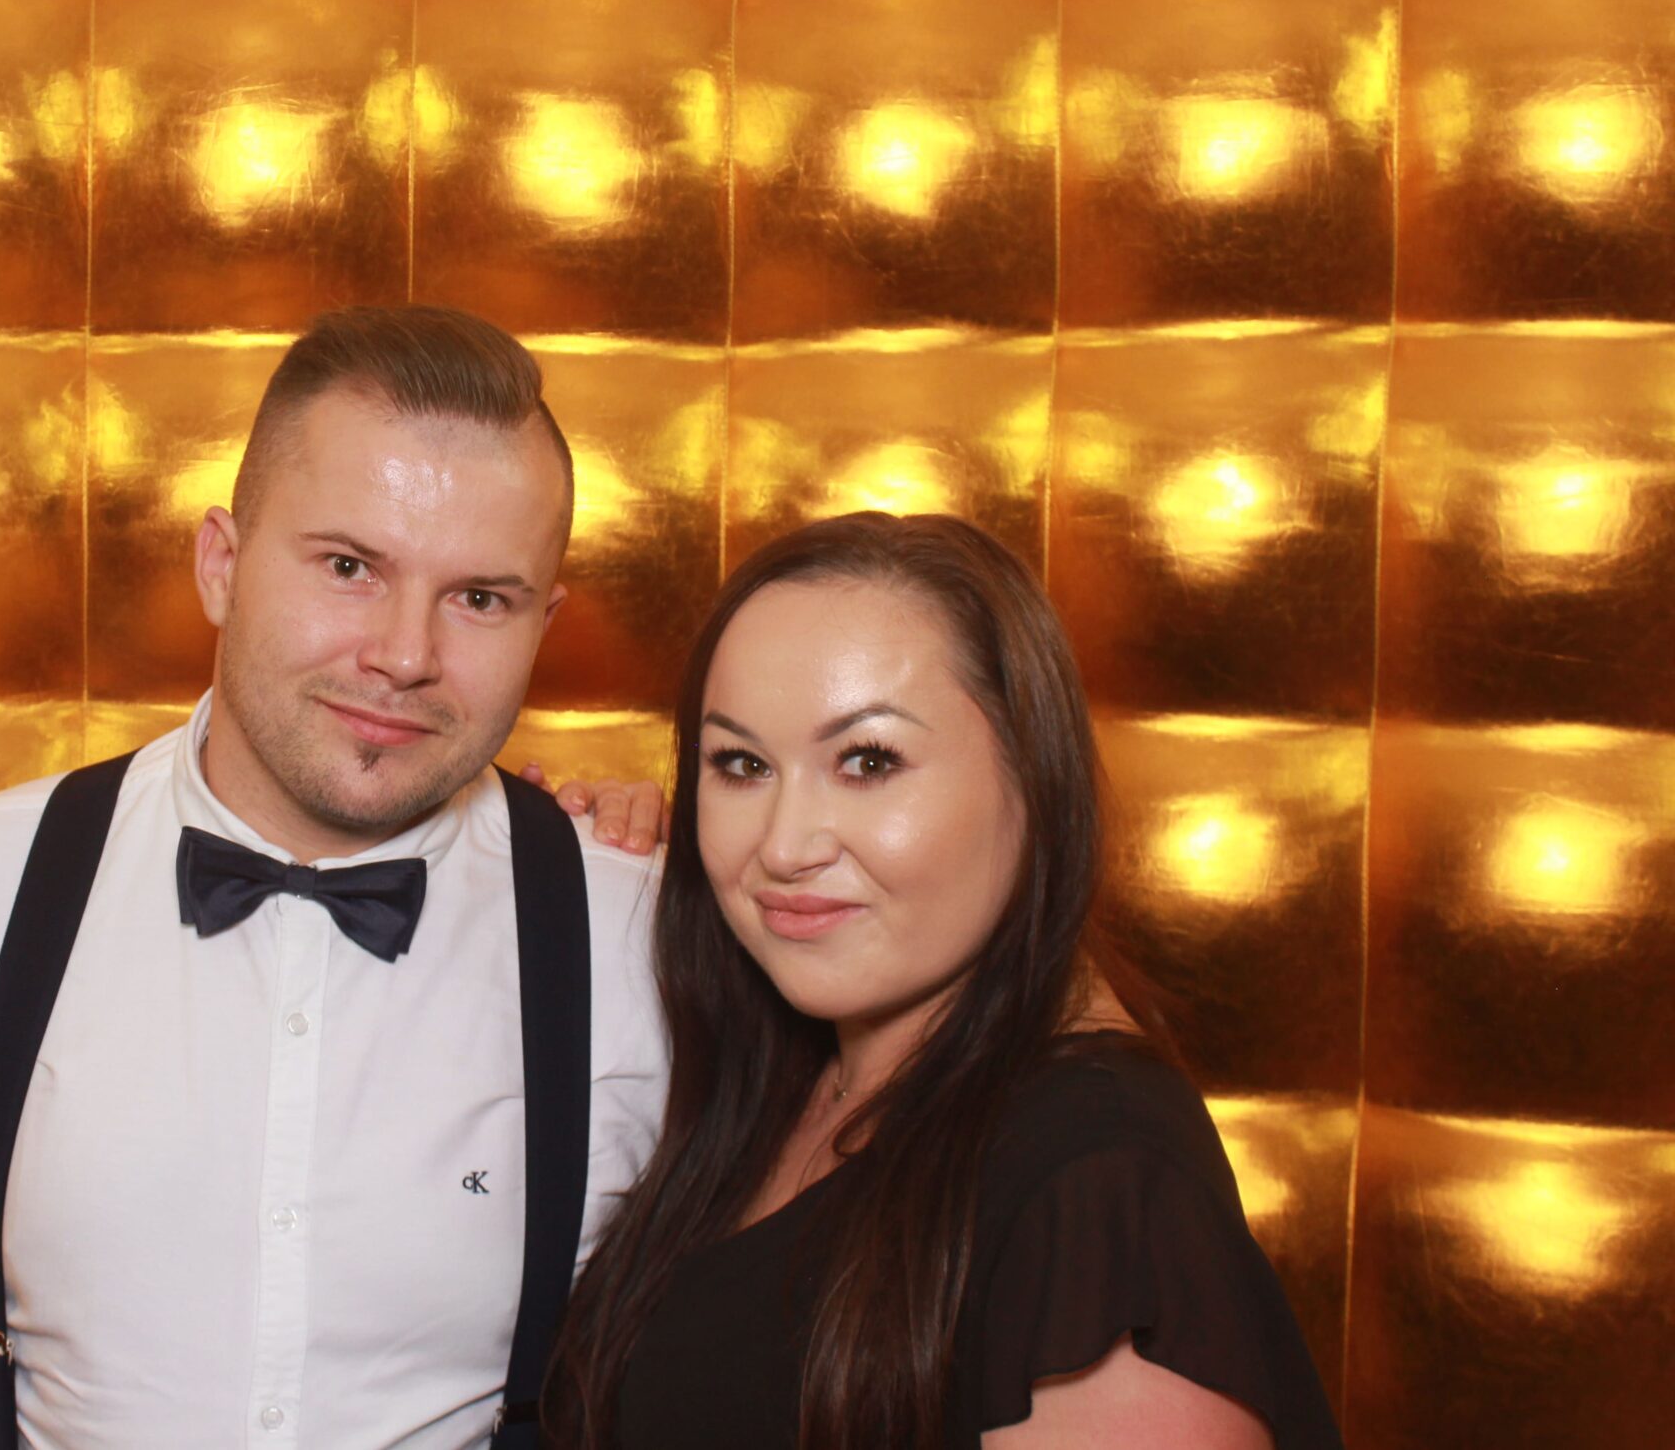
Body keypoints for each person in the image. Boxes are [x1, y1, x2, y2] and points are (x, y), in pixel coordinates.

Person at [0, 305, 672, 1449]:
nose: (404, 656)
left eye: (479, 598)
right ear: (221, 566)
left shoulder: (639, 937)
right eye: (348, 567)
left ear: (543, 623)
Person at [545, 513, 1342, 1450]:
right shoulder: (779, 1072)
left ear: (1032, 775)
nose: (785, 845)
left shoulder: (1100, 1189)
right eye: (742, 764)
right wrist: (580, 867)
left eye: (868, 761)